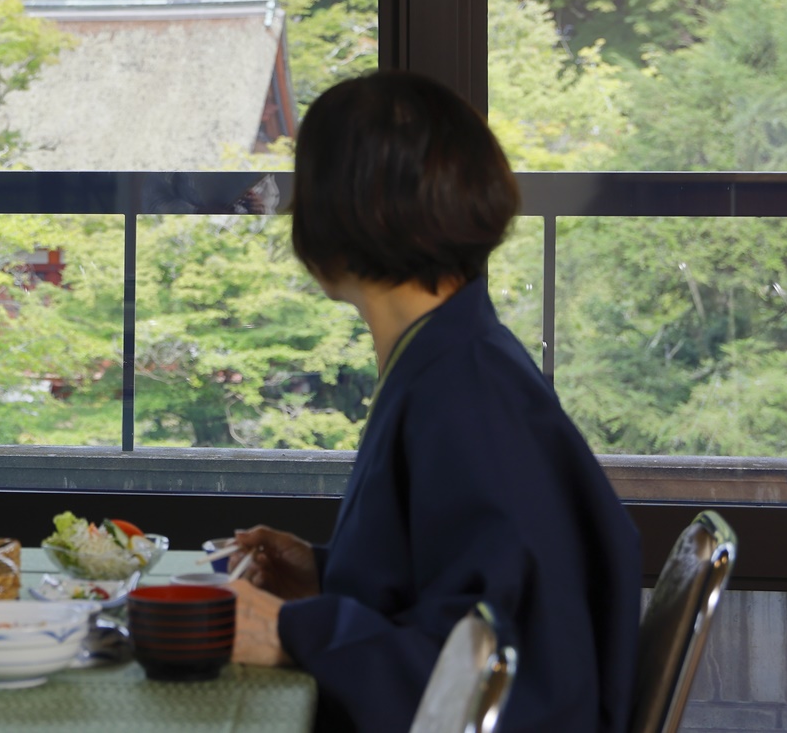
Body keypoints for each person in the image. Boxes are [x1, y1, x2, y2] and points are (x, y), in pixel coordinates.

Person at [227, 71, 641, 733]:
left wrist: (292, 629)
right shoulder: (460, 361)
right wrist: (326, 574)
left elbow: (484, 671)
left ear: (347, 208)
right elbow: (461, 585)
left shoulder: (467, 397)